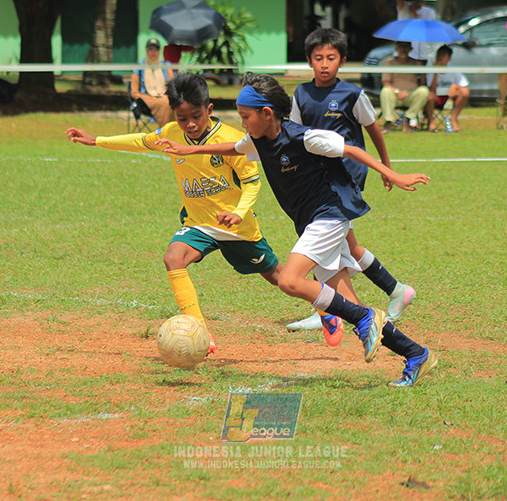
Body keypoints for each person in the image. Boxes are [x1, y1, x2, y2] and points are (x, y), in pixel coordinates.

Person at [157, 72, 439, 388]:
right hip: (311, 222)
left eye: (245, 116)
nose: (242, 122)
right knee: (350, 305)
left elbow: (350, 150)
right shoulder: (256, 140)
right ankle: (416, 354)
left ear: (267, 114)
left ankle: (363, 320)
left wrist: (392, 174)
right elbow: (231, 148)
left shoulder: (303, 137)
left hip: (329, 217)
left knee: (291, 281)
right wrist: (187, 151)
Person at [66, 73, 310, 354]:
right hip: (198, 224)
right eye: (183, 118)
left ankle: (325, 310)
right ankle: (200, 331)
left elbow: (253, 183)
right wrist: (97, 140)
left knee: (279, 278)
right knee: (174, 258)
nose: (190, 124)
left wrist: (239, 213)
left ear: (209, 109)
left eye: (196, 115)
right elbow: (141, 140)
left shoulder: (233, 141)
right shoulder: (170, 134)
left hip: (236, 227)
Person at [285, 28, 417, 334]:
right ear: (308, 61)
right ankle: (394, 291)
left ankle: (329, 310)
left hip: (346, 178)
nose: (324, 64)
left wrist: (387, 167)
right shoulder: (301, 94)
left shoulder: (352, 94)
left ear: (342, 61)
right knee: (344, 243)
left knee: (320, 238)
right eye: (318, 58)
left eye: (331, 58)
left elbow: (373, 130)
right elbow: (295, 134)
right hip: (316, 179)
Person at [379, 41, 430, 132]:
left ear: (410, 49)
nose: (403, 50)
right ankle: (388, 122)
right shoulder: (390, 63)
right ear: (396, 49)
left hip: (411, 95)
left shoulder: (415, 63)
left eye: (406, 47)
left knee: (424, 91)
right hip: (395, 95)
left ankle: (408, 119)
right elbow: (386, 82)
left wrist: (422, 69)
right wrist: (398, 92)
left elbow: (423, 84)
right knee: (385, 91)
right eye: (401, 47)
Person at [131, 38, 176, 127]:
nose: (153, 52)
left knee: (173, 102)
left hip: (164, 97)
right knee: (165, 103)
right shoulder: (139, 68)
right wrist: (151, 98)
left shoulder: (166, 66)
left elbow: (173, 87)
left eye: (156, 49)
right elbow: (134, 93)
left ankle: (175, 132)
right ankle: (163, 133)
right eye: (150, 49)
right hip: (146, 99)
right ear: (146, 50)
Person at [424, 44, 470, 132]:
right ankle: (431, 123)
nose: (440, 58)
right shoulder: (431, 69)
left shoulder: (453, 70)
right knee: (429, 96)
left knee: (465, 92)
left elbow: (464, 85)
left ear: (449, 58)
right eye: (439, 55)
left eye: (443, 55)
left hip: (449, 97)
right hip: (436, 97)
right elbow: (431, 88)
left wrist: (455, 86)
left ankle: (454, 119)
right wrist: (436, 72)